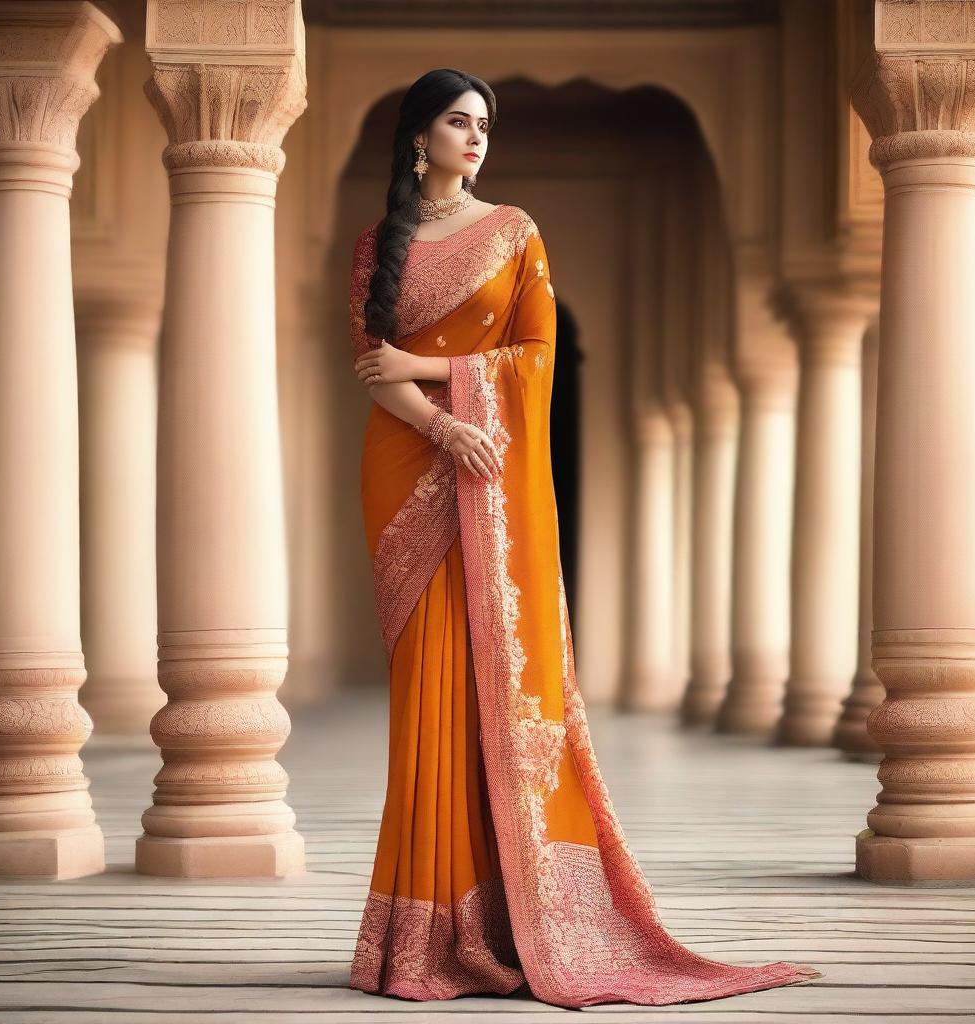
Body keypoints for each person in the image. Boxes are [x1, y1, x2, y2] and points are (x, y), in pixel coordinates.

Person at [346, 67, 821, 1010]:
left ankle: (501, 928)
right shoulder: (378, 243)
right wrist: (439, 419)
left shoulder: (515, 232)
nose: (476, 137)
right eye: (457, 121)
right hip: (409, 469)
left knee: (486, 685)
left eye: (485, 123)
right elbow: (372, 367)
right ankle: (421, 935)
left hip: (486, 473)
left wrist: (429, 368)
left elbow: (534, 358)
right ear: (419, 135)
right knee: (427, 698)